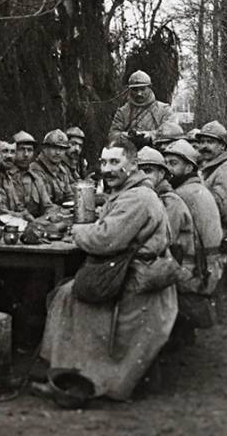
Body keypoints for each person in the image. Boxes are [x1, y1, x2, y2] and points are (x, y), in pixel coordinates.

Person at [40, 137, 178, 401]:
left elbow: (106, 239)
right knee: (67, 292)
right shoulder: (131, 192)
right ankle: (68, 372)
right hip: (137, 274)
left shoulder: (138, 198)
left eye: (115, 162)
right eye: (103, 162)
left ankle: (86, 378)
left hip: (141, 285)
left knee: (69, 295)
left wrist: (75, 230)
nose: (107, 168)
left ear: (133, 165)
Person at [163, 139, 224, 296]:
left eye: (173, 163)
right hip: (208, 265)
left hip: (196, 269)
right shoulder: (197, 188)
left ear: (189, 167)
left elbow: (168, 234)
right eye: (165, 163)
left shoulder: (183, 195)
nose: (167, 169)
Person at [138, 146, 194, 264]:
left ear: (161, 173)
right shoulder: (146, 197)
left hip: (173, 267)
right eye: (137, 171)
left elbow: (162, 242)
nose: (142, 176)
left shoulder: (170, 201)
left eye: (148, 171)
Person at [196, 121, 227, 239]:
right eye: (202, 142)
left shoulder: (226, 170)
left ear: (222, 146)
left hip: (220, 233)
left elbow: (221, 208)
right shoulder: (208, 166)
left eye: (210, 142)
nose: (204, 146)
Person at [109, 70, 175, 143]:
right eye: (135, 90)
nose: (139, 93)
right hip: (128, 151)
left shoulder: (164, 109)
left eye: (143, 89)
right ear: (130, 90)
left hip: (157, 150)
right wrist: (127, 136)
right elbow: (112, 134)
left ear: (150, 88)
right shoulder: (123, 112)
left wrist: (150, 135)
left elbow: (171, 131)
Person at [30, 129, 76, 205]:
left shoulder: (61, 170)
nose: (58, 152)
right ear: (45, 148)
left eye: (61, 149)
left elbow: (69, 196)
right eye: (54, 148)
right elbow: (44, 204)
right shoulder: (35, 170)